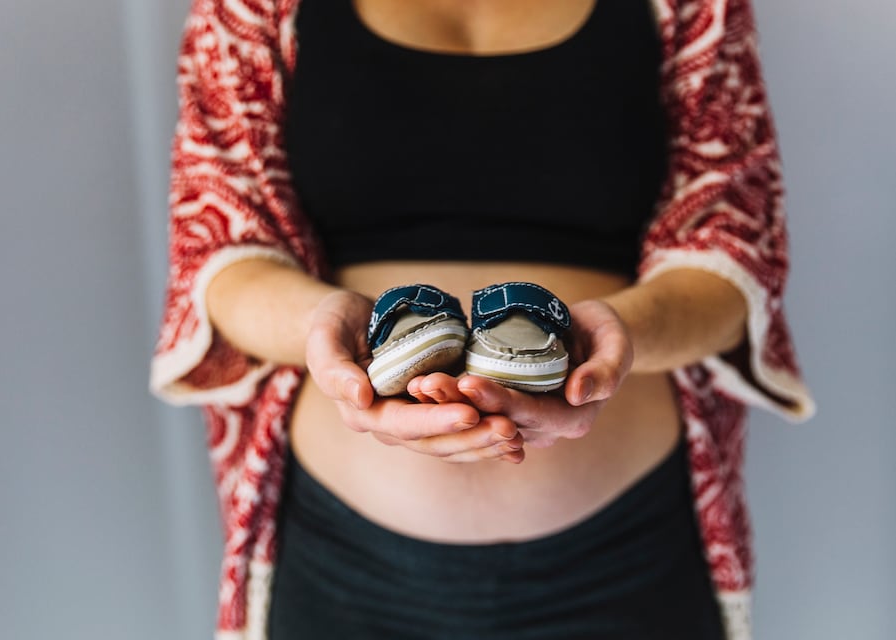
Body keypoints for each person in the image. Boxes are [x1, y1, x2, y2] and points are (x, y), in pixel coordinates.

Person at [150, 0, 814, 638]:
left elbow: (733, 249)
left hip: (626, 554)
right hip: (341, 564)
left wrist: (619, 335)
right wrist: (322, 328)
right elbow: (219, 251)